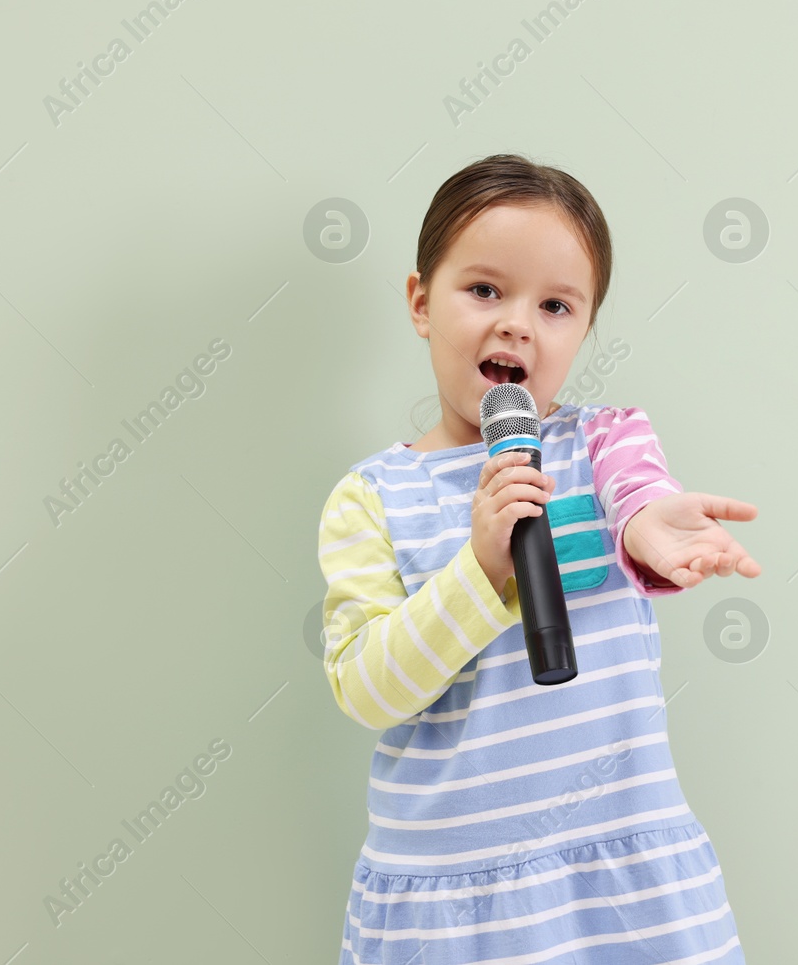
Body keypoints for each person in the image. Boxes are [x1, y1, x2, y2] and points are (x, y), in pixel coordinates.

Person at [316, 152, 761, 962]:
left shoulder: (604, 441)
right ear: (421, 301)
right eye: (484, 289)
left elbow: (639, 497)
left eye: (556, 305)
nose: (518, 322)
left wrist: (648, 526)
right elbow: (365, 688)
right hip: (455, 899)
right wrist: (480, 571)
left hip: (617, 871)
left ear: (583, 329)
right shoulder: (374, 497)